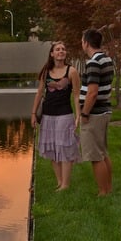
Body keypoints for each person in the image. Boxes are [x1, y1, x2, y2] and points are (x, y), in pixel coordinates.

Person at [31, 41, 81, 190]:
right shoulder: (46, 72)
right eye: (57, 49)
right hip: (47, 115)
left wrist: (78, 116)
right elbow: (40, 92)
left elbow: (77, 95)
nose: (61, 51)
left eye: (63, 49)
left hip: (64, 114)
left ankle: (66, 185)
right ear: (52, 54)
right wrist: (33, 113)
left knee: (64, 147)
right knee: (52, 148)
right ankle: (59, 182)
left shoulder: (71, 71)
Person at [79, 28, 114, 196]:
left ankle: (102, 191)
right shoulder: (107, 59)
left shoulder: (93, 62)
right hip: (104, 111)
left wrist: (84, 113)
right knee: (103, 152)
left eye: (82, 40)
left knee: (95, 155)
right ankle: (108, 188)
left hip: (94, 114)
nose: (81, 44)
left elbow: (92, 92)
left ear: (86, 42)